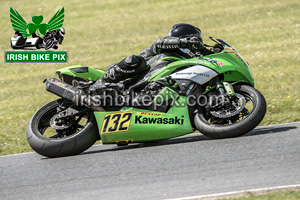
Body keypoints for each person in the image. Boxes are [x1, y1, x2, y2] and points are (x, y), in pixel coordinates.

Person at [89, 23, 223, 93]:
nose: (196, 43)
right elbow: (160, 42)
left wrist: (216, 51)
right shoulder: (165, 46)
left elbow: (206, 57)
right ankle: (101, 83)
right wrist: (184, 42)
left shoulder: (191, 59)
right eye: (194, 40)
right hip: (130, 79)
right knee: (136, 61)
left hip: (155, 89)